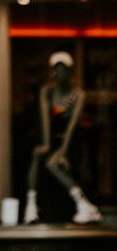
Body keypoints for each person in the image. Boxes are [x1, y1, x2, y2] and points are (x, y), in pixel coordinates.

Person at [24, 50, 101, 225]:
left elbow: (72, 125)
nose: (60, 72)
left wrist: (63, 152)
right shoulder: (47, 92)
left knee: (52, 163)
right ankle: (31, 207)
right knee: (37, 156)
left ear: (71, 71)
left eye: (64, 68)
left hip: (71, 143)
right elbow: (44, 118)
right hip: (50, 140)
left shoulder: (77, 95)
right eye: (56, 68)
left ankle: (84, 204)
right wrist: (45, 144)